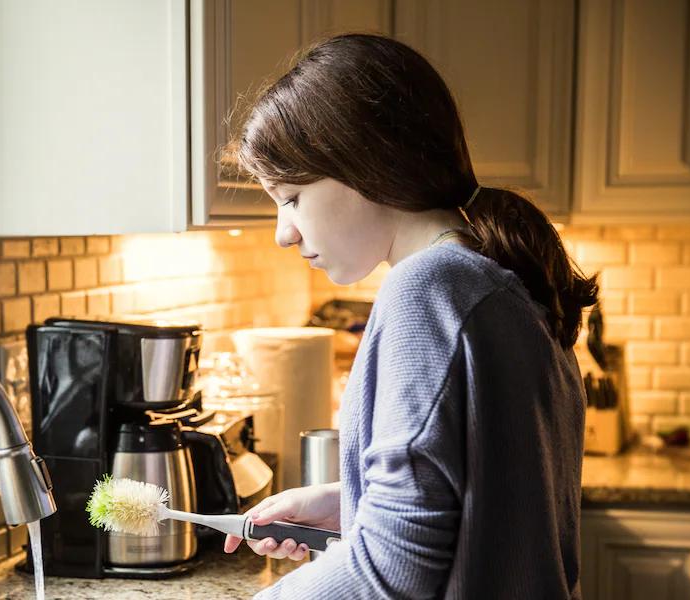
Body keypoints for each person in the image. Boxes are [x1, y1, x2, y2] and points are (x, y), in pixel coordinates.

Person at [222, 34, 597, 599]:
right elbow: (496, 504)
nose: (284, 232)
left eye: (292, 196)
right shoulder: (499, 277)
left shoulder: (428, 290)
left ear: (365, 162)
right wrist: (352, 502)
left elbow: (389, 574)